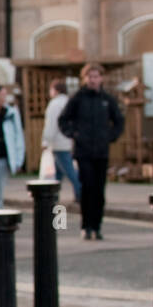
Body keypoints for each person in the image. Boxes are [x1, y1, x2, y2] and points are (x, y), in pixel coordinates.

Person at [58, 62, 124, 240]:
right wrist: (74, 134)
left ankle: (97, 225)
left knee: (99, 190)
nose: (93, 80)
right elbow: (63, 119)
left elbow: (119, 121)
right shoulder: (78, 99)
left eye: (96, 76)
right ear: (85, 79)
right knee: (87, 187)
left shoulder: (107, 100)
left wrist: (110, 136)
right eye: (90, 77)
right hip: (83, 151)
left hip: (101, 151)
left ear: (101, 78)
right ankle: (86, 225)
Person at [42, 78, 80, 203]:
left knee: (70, 171)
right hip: (69, 140)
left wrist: (46, 141)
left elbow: (52, 124)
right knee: (58, 173)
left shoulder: (54, 104)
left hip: (58, 142)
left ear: (55, 90)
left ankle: (80, 192)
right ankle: (53, 195)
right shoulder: (69, 101)